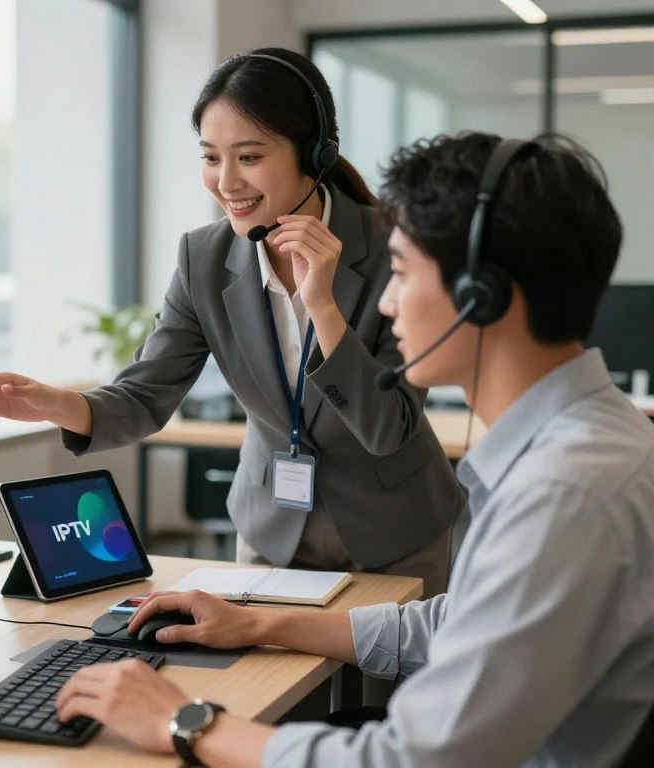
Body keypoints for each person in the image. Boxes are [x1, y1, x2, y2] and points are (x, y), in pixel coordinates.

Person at [53, 132, 654, 766]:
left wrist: (185, 721)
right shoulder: (595, 441)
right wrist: (258, 621)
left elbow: (409, 760)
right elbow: (462, 621)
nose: (388, 302)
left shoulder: (565, 493)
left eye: (399, 272)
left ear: (481, 295)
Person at [0, 48, 461, 596]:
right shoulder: (204, 257)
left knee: (389, 683)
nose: (225, 182)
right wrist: (53, 403)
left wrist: (323, 307)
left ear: (314, 154)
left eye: (248, 157)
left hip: (395, 538)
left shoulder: (395, 249)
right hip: (271, 535)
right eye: (210, 157)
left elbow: (390, 428)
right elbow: (144, 397)